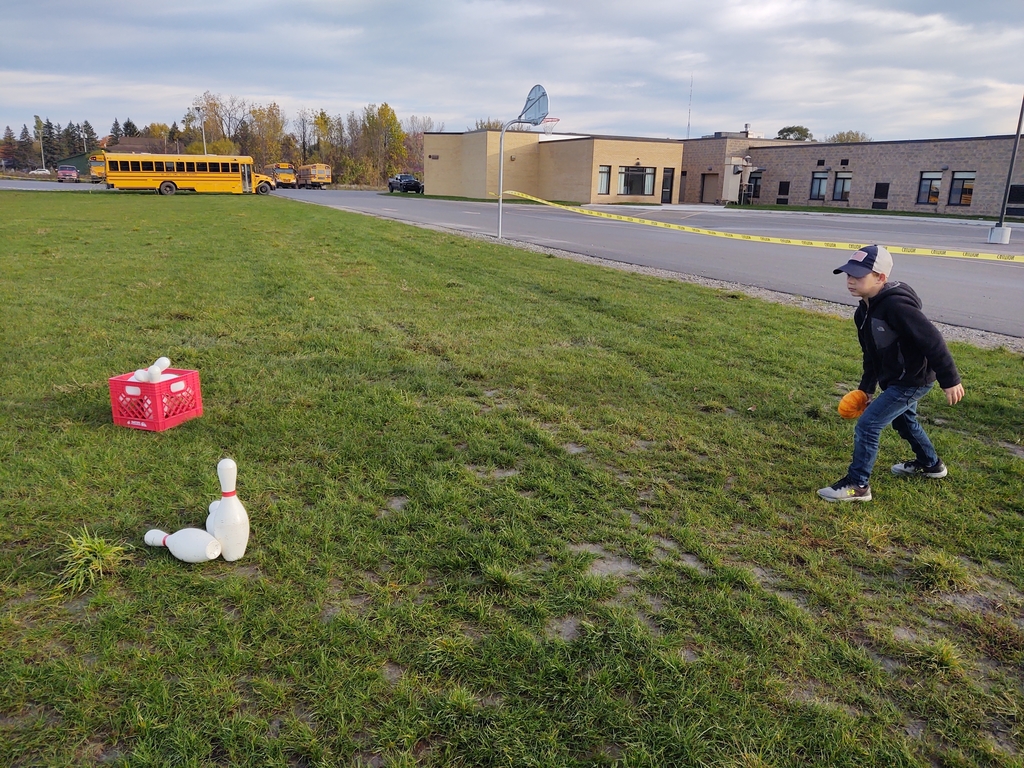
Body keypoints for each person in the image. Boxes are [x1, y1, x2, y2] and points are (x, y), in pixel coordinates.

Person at [818, 245, 964, 502]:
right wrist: (866, 388)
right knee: (904, 421)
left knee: (869, 425)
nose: (851, 281)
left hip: (912, 380)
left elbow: (932, 341)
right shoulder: (863, 310)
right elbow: (871, 354)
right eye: (848, 275)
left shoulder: (897, 307)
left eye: (859, 276)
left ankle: (858, 485)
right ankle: (931, 465)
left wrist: (950, 379)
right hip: (896, 378)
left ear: (880, 278)